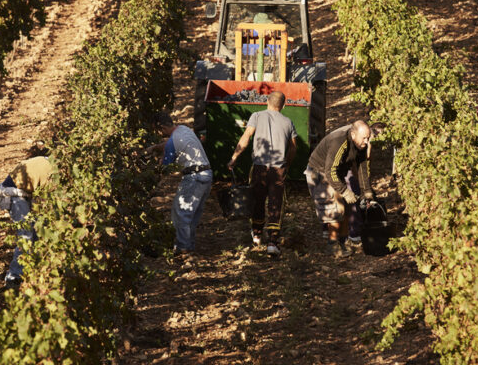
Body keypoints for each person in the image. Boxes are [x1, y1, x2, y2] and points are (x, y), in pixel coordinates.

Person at [227, 91, 297, 256]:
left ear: (267, 101)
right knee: (275, 204)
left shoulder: (256, 116)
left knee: (257, 200)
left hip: (259, 168)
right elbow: (294, 147)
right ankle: (272, 242)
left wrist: (234, 157)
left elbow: (246, 137)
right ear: (284, 105)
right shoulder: (288, 122)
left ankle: (257, 234)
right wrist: (287, 163)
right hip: (278, 169)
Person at [305, 120, 374, 257]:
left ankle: (343, 241)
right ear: (353, 135)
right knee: (335, 208)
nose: (366, 141)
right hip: (320, 172)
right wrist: (344, 191)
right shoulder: (340, 142)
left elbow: (362, 167)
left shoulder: (361, 144)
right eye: (364, 138)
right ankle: (332, 244)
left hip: (336, 173)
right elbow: (330, 171)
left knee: (347, 207)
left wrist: (366, 191)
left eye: (368, 138)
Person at [152, 113, 213, 253]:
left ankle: (183, 247)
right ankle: (189, 245)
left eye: (158, 131)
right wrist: (155, 147)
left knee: (181, 212)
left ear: (161, 127)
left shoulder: (173, 141)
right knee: (193, 214)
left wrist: (156, 163)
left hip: (193, 177)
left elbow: (165, 165)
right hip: (206, 174)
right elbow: (169, 144)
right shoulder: (184, 129)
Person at [0, 146, 53, 289]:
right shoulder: (53, 174)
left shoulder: (49, 163)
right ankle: (13, 277)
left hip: (23, 191)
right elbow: (48, 202)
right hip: (12, 193)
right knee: (26, 234)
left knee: (35, 232)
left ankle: (33, 268)